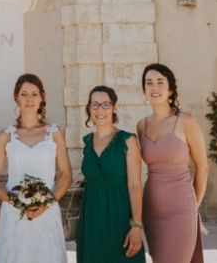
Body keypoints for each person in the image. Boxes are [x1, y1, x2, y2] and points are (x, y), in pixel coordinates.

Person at [0, 73, 71, 263]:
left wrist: (46, 203)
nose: (29, 99)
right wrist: (16, 201)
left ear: (42, 97)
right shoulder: (6, 135)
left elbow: (66, 175)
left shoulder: (54, 133)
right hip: (14, 213)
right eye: (24, 94)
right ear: (16, 97)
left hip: (47, 213)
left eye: (34, 94)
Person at [138, 63, 209, 263]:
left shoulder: (186, 121)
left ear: (170, 90)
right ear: (144, 90)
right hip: (151, 210)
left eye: (160, 82)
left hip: (181, 210)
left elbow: (203, 167)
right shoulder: (141, 126)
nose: (154, 87)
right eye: (149, 83)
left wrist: (194, 205)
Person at [77, 86, 145, 263]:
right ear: (89, 108)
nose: (100, 110)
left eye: (105, 104)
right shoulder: (87, 142)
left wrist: (137, 225)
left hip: (120, 217)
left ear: (114, 108)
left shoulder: (128, 141)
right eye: (95, 104)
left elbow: (135, 186)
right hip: (91, 219)